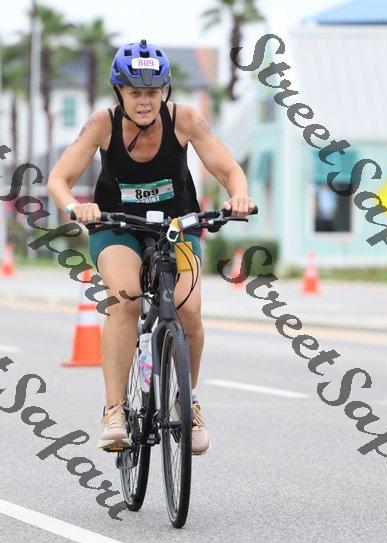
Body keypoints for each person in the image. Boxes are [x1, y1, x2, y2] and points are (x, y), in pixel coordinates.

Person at [47, 39, 254, 456]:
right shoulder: (102, 124)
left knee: (189, 310)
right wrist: (76, 207)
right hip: (117, 227)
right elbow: (58, 180)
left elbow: (229, 168)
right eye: (135, 92)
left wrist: (239, 196)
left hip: (178, 227)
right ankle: (114, 411)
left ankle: (188, 402)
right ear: (119, 92)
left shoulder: (185, 119)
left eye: (153, 92)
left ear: (165, 92)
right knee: (125, 300)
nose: (145, 101)